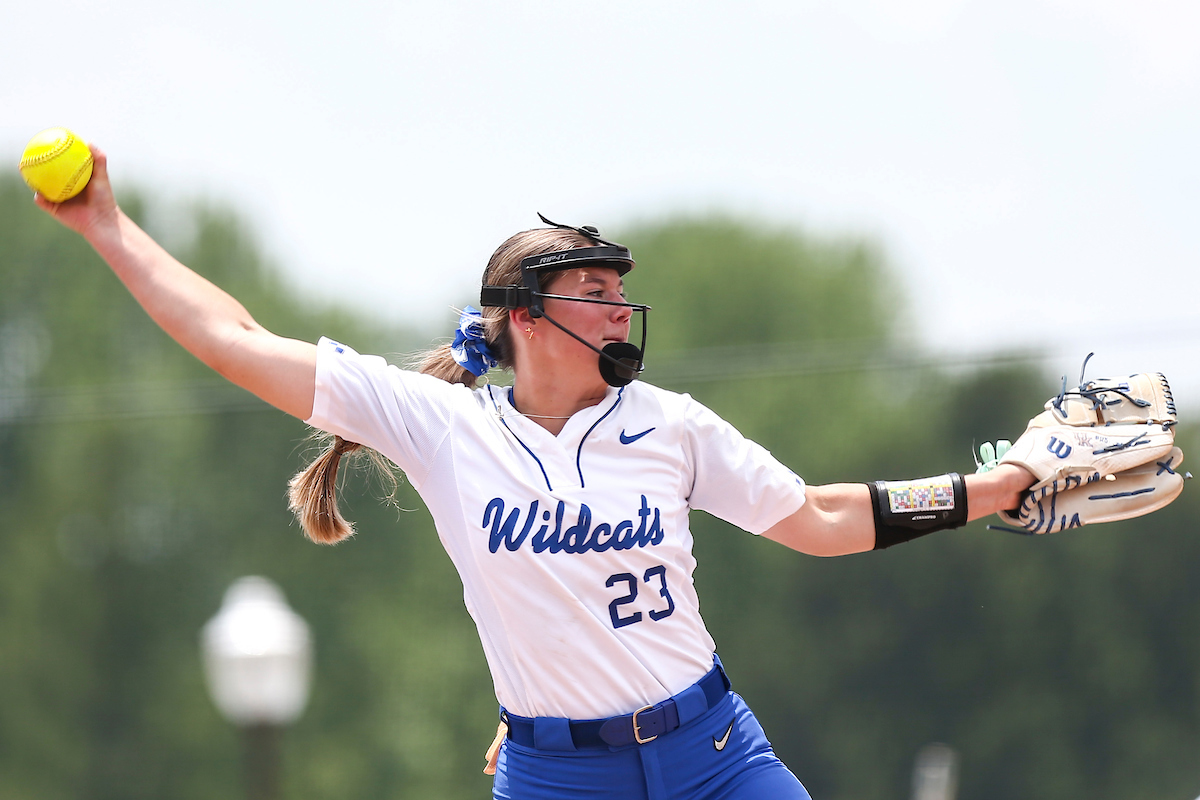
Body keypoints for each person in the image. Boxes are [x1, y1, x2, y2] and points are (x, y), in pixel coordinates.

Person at [37, 146, 1035, 800]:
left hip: (715, 755)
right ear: (524, 315)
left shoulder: (667, 423)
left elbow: (814, 515)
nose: (616, 307)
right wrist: (106, 227)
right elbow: (232, 336)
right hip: (558, 775)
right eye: (592, 290)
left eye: (618, 291)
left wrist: (980, 491)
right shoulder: (440, 427)